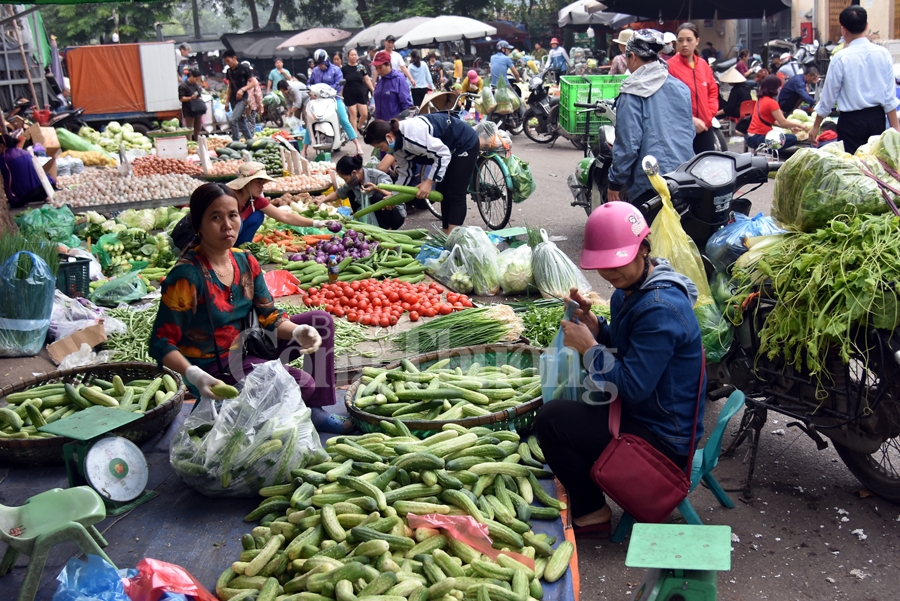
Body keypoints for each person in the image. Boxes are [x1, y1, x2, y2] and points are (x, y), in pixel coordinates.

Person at [535, 201, 705, 539]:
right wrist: (595, 326)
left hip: (665, 439)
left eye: (620, 262)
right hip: (648, 415)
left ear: (644, 248)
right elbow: (630, 347)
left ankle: (591, 511)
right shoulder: (631, 290)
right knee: (566, 412)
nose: (612, 273)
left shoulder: (660, 308)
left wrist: (589, 349)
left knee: (551, 420)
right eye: (603, 266)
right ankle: (592, 500)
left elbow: (633, 385)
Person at [149, 183, 351, 434]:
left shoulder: (244, 260)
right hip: (216, 367)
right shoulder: (187, 277)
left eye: (232, 215)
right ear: (198, 224)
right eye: (215, 217)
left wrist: (298, 331)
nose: (227, 225)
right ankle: (281, 408)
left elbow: (268, 315)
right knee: (303, 384)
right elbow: (160, 343)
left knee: (320, 323)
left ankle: (317, 412)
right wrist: (193, 374)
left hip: (249, 344)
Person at [607, 30, 694, 204]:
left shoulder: (631, 93)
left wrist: (615, 182)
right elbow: (689, 132)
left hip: (650, 184)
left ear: (632, 56)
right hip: (686, 176)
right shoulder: (681, 88)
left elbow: (628, 146)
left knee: (647, 231)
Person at [171, 162, 332, 250]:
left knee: (257, 215)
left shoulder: (254, 200)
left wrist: (316, 223)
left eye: (263, 182)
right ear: (247, 182)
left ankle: (238, 249)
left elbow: (285, 216)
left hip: (228, 238)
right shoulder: (225, 195)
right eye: (259, 182)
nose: (263, 186)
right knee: (234, 221)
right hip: (201, 239)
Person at [364, 114, 479, 233]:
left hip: (463, 143)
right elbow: (405, 173)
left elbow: (442, 154)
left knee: (455, 194)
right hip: (446, 150)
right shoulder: (397, 148)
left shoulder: (412, 135)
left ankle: (452, 238)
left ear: (388, 137)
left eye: (380, 146)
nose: (382, 150)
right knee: (443, 192)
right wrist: (394, 196)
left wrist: (428, 182)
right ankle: (446, 235)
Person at [810, 5, 900, 155]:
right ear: (866, 26)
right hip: (876, 119)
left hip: (851, 122)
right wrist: (895, 129)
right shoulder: (883, 54)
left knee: (854, 168)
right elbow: (889, 97)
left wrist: (815, 127)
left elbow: (828, 98)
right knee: (875, 166)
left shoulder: (840, 58)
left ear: (843, 29)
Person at [667, 22, 720, 154]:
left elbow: (713, 92)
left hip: (704, 127)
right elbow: (668, 100)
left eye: (689, 40)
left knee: (707, 166)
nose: (684, 44)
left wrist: (708, 115)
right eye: (680, 40)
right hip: (680, 130)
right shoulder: (670, 67)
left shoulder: (703, 65)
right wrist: (689, 120)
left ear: (697, 41)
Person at [317, 154, 406, 230]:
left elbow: (394, 195)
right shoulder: (353, 182)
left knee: (377, 196)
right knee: (350, 192)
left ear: (354, 173)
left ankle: (386, 231)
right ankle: (364, 225)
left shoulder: (378, 176)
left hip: (395, 217)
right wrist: (322, 200)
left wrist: (376, 188)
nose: (345, 181)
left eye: (345, 178)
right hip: (374, 216)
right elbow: (338, 193)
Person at [306, 48, 363, 156]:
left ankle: (357, 145)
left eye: (321, 63)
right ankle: (304, 150)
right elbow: (309, 83)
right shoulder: (315, 71)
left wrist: (331, 90)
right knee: (310, 119)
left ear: (326, 60)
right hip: (318, 100)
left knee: (343, 119)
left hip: (334, 99)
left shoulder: (335, 70)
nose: (320, 65)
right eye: (318, 63)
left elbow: (339, 83)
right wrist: (309, 89)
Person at [746, 75, 809, 151]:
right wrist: (801, 125)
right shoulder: (772, 102)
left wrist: (790, 127)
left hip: (750, 137)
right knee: (792, 138)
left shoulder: (760, 100)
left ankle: (768, 149)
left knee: (785, 137)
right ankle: (769, 150)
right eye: (778, 87)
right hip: (760, 138)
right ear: (774, 88)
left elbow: (772, 121)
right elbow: (783, 122)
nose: (779, 89)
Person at [0, 134, 54, 208]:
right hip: (44, 190)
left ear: (1, 146)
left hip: (25, 196)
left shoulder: (4, 159)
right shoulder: (24, 152)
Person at [223, 49, 256, 141]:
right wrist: (227, 102)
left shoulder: (244, 68)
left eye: (228, 61)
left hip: (242, 99)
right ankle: (250, 141)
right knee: (241, 122)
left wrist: (242, 89)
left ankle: (235, 141)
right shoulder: (229, 71)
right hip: (233, 99)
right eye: (225, 61)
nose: (227, 63)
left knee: (232, 120)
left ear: (234, 58)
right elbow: (230, 87)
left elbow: (253, 82)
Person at [372, 50, 413, 121]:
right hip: (380, 124)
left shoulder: (399, 79)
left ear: (388, 65)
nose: (378, 70)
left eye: (380, 67)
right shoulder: (380, 81)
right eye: (376, 68)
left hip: (394, 124)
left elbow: (407, 105)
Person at [342, 48, 374, 134]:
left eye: (355, 55)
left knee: (364, 114)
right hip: (349, 93)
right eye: (352, 55)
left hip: (360, 93)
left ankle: (359, 127)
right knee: (353, 115)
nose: (354, 56)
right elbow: (342, 83)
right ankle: (354, 133)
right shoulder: (344, 69)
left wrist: (372, 89)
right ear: (348, 56)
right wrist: (341, 94)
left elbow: (367, 80)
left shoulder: (361, 67)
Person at [179, 68, 206, 142]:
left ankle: (198, 142)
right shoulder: (183, 86)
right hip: (188, 110)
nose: (197, 80)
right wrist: (190, 98)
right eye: (196, 79)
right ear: (191, 76)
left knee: (198, 128)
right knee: (189, 129)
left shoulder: (196, 86)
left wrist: (199, 98)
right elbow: (181, 98)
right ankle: (190, 143)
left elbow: (199, 95)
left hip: (197, 110)